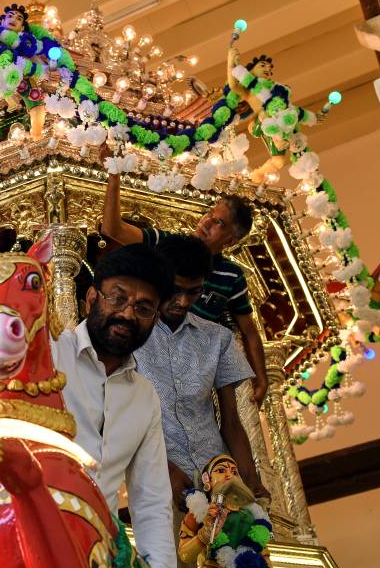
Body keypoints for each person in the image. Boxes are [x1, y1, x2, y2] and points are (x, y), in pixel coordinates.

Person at [132, 235, 268, 568]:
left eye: (193, 293)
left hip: (223, 484)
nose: (182, 302)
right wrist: (168, 472)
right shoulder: (129, 335)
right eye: (175, 291)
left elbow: (232, 423)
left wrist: (251, 484)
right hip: (162, 488)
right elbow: (124, 419)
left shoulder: (217, 338)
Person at [50, 243, 177, 568]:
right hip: (30, 542)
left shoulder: (144, 397)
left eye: (144, 308)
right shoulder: (48, 356)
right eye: (117, 298)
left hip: (97, 565)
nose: (128, 314)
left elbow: (151, 500)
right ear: (92, 298)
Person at [101, 171, 269, 406]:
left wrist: (261, 379)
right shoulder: (166, 244)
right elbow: (113, 230)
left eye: (219, 223)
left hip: (194, 368)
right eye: (210, 214)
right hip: (146, 350)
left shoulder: (232, 276)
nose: (206, 222)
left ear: (230, 241)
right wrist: (114, 176)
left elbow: (249, 331)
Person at [178, 454, 289, 568]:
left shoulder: (253, 516)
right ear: (207, 482)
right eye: (221, 470)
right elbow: (185, 554)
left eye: (234, 471)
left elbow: (264, 559)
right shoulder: (199, 514)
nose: (229, 474)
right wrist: (205, 534)